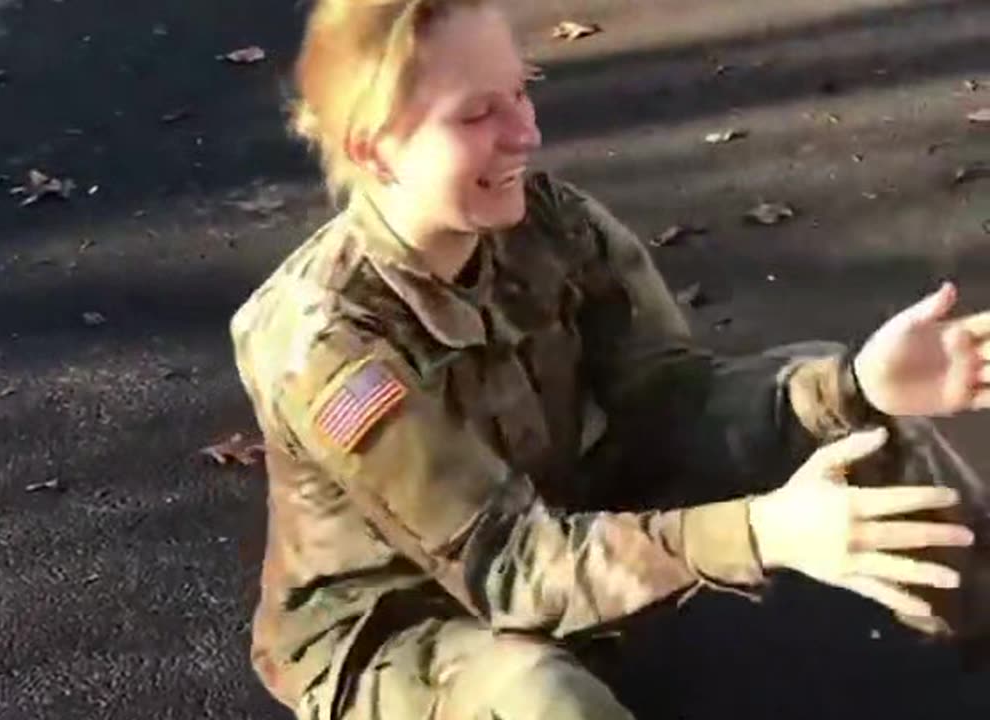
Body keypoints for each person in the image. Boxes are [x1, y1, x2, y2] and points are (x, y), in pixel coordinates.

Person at [229, 1, 989, 717]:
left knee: (860, 420)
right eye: (476, 114)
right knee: (542, 696)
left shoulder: (548, 224)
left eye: (519, 93)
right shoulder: (323, 340)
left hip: (571, 524)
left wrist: (855, 385)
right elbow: (510, 569)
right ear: (374, 149)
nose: (524, 133)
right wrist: (763, 532)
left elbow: (668, 399)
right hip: (406, 629)